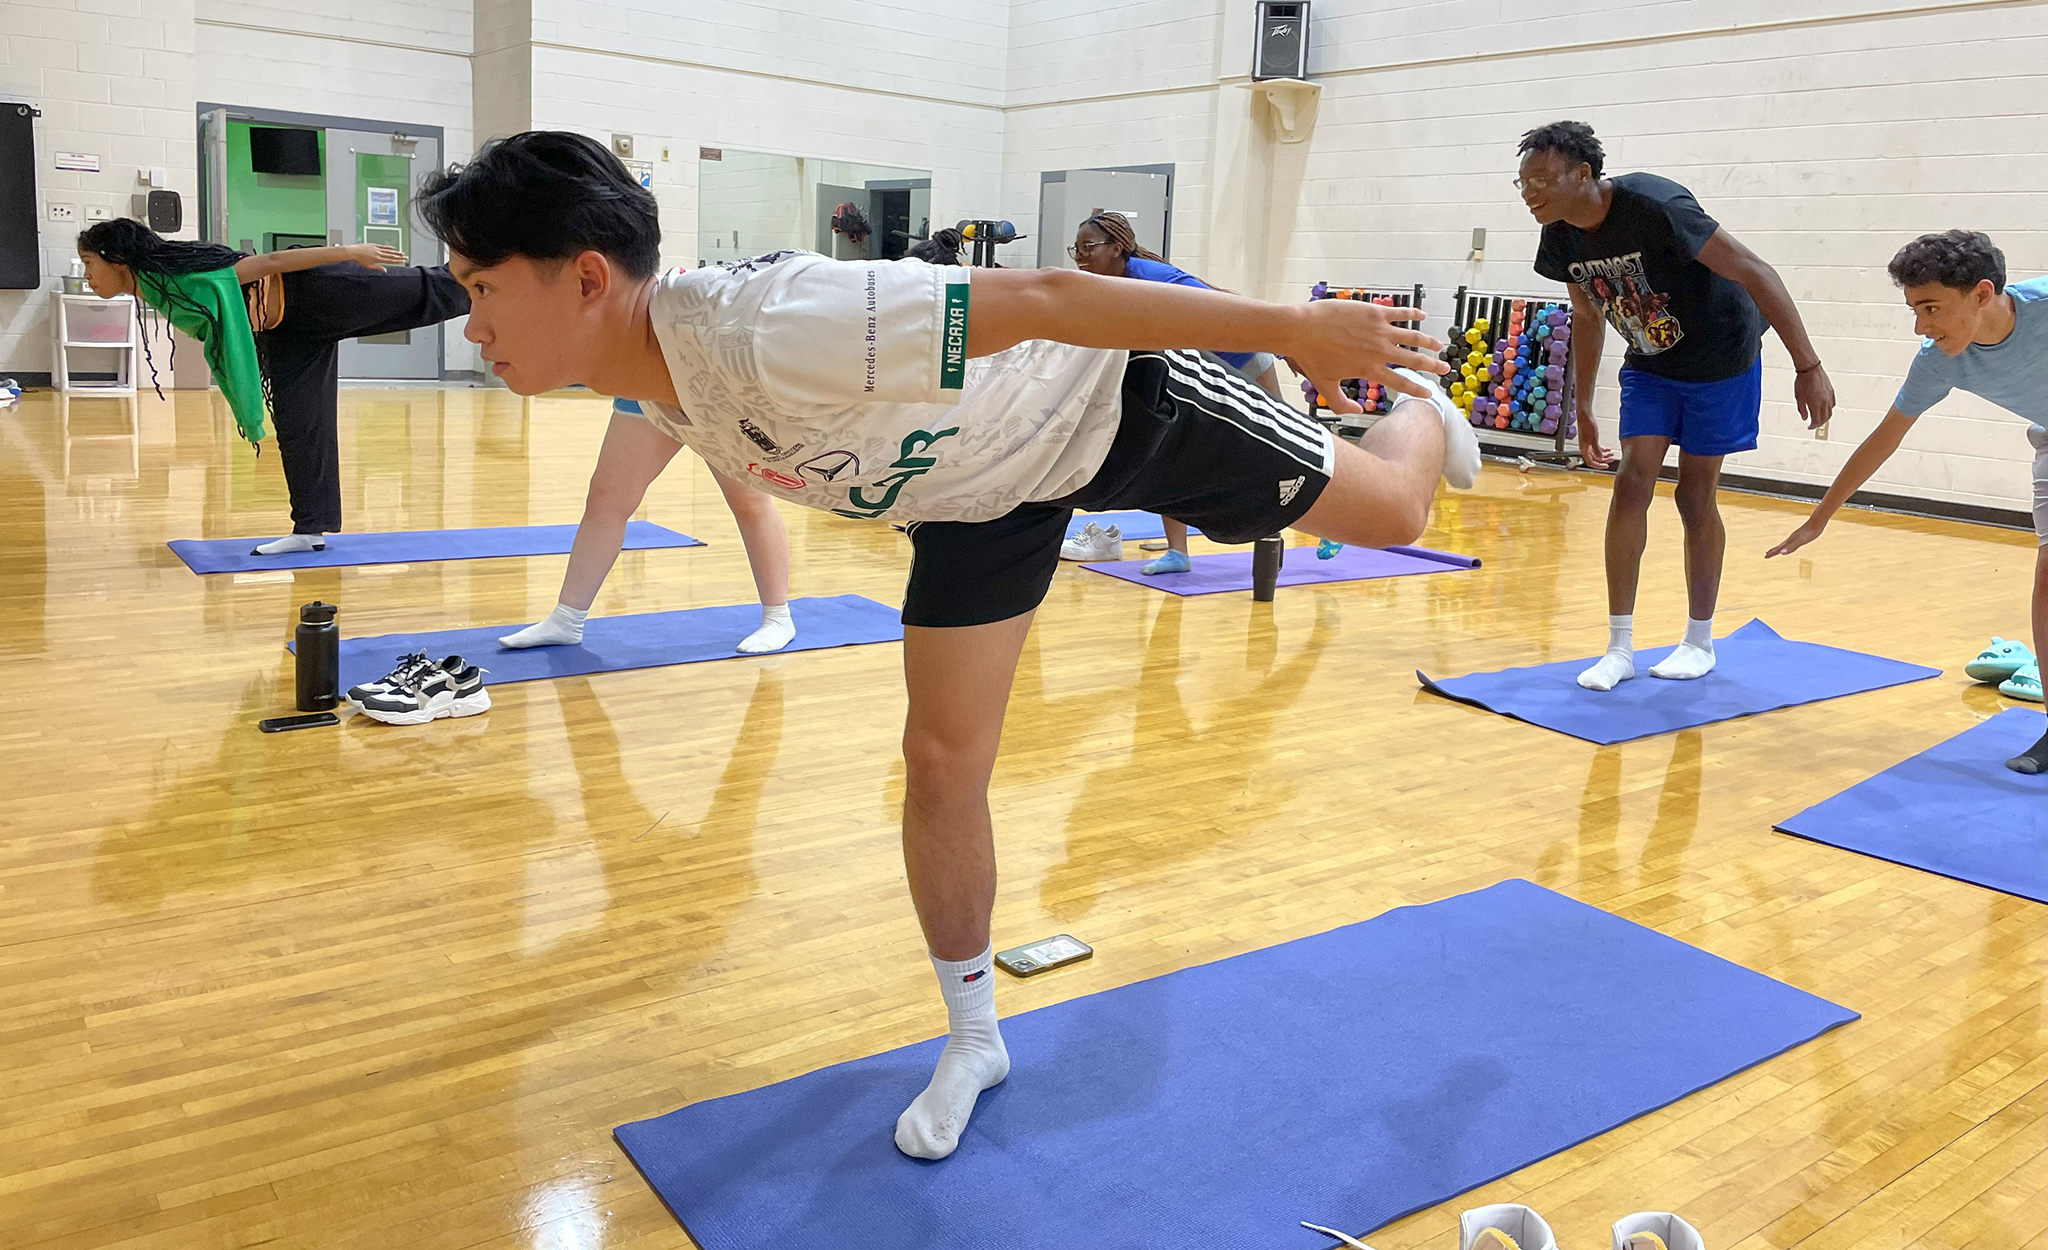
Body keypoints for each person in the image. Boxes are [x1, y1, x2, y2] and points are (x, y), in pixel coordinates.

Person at [419, 130, 1478, 1162]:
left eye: (481, 290)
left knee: (1390, 510)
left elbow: (1051, 298)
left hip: (1110, 407)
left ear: (586, 278)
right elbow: (627, 489)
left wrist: (1288, 327)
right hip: (975, 502)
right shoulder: (640, 375)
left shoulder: (775, 323)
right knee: (937, 765)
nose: (473, 326)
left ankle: (1426, 408)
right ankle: (975, 1034)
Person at [1517, 121, 1837, 690]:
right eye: (1521, 182)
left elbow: (1756, 270)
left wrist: (1807, 366)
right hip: (1651, 362)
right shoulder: (1561, 236)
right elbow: (1588, 315)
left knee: (1694, 494)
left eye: (1541, 179)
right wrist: (1584, 405)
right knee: (1631, 481)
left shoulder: (1656, 205)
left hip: (1720, 356)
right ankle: (1619, 648)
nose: (1529, 192)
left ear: (1584, 174)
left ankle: (1699, 639)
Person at [1767, 231, 2047, 774]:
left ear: (1982, 293)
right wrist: (1819, 518)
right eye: (1914, 309)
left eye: (1931, 308)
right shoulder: (1939, 360)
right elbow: (1884, 438)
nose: (1921, 325)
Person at [76, 218, 471, 554]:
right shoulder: (154, 286)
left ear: (117, 260)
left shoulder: (177, 274)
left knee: (435, 290)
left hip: (317, 291)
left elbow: (272, 262)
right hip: (290, 331)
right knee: (300, 426)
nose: (87, 275)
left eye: (89, 263)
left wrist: (350, 251)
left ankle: (495, 276)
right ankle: (309, 529)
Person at [1067, 211, 1289, 573]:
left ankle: (1320, 518)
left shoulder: (1151, 278)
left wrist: (1284, 338)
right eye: (1075, 249)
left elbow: (1223, 302)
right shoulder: (1111, 286)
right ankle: (1178, 552)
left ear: (1117, 248)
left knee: (1274, 448)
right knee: (1169, 456)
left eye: (1088, 247)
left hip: (1243, 359)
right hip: (1198, 369)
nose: (1080, 257)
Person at [498, 396, 797, 654]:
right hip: (648, 388)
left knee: (750, 503)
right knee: (606, 501)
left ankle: (777, 617)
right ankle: (567, 619)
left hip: (720, 394)